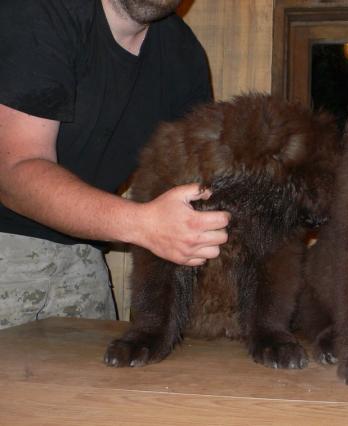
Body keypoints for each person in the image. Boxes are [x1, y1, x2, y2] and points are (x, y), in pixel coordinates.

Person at [0, 0, 230, 329]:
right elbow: (14, 172)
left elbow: (196, 188)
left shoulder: (185, 53)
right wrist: (143, 224)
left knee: (100, 379)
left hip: (84, 250)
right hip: (5, 241)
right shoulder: (42, 10)